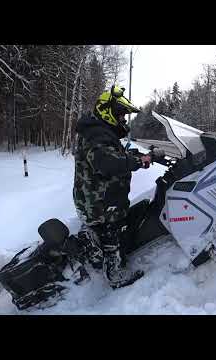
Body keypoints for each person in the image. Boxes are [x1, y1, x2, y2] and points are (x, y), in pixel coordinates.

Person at [73, 85, 150, 289]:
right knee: (112, 229)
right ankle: (114, 273)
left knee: (112, 225)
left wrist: (138, 156)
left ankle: (95, 248)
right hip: (99, 201)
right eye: (121, 115)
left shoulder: (99, 132)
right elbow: (107, 162)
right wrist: (139, 161)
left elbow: (115, 155)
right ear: (108, 113)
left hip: (98, 196)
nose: (124, 120)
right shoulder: (96, 134)